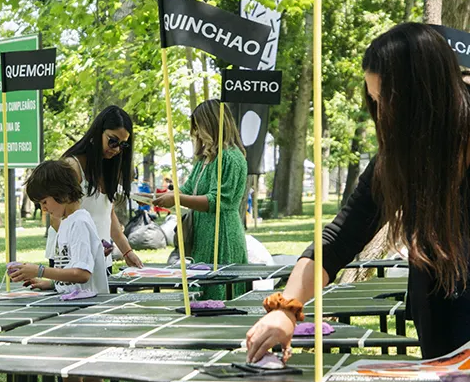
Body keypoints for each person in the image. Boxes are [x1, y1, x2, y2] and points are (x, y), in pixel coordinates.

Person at [246, 23, 470, 363]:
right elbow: (338, 239)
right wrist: (286, 308)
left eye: (389, 103)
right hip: (439, 321)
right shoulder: (396, 158)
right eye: (375, 101)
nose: (381, 117)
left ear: (423, 96)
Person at [10, 160, 110, 382]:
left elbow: (82, 273)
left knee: (91, 377)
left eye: (44, 202)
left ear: (62, 193)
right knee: (70, 377)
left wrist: (40, 270)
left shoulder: (78, 223)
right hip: (72, 308)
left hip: (88, 312)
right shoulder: (66, 223)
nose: (44, 209)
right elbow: (70, 270)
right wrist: (51, 283)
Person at [153, 99, 249, 299]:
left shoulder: (230, 158)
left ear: (213, 124)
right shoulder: (205, 158)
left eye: (199, 126)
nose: (196, 132)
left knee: (219, 290)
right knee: (201, 288)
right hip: (202, 235)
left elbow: (217, 201)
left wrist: (178, 199)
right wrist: (155, 197)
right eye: (194, 127)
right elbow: (188, 190)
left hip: (221, 235)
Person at [46, 106, 144, 271]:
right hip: (71, 258)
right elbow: (56, 218)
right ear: (98, 132)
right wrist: (87, 246)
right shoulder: (73, 166)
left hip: (101, 257)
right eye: (112, 141)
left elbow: (107, 214)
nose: (116, 149)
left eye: (122, 145)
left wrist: (127, 252)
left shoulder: (109, 168)